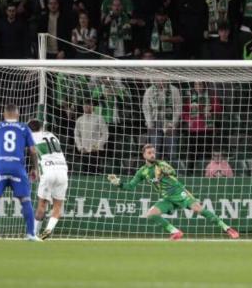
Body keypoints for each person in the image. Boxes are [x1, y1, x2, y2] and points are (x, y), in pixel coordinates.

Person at [108, 144, 240, 240]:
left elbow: (173, 172)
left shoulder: (161, 164)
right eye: (149, 153)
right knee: (151, 214)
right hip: (168, 199)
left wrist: (164, 171)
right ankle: (175, 232)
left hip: (179, 192)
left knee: (199, 210)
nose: (152, 154)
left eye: (153, 152)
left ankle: (227, 228)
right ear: (144, 155)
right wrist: (118, 183)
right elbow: (130, 186)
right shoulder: (142, 172)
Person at [0, 104, 40, 241]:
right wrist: (35, 168)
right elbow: (33, 151)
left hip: (0, 166)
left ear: (4, 114)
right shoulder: (24, 128)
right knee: (25, 200)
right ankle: (31, 234)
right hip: (17, 168)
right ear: (18, 114)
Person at [28, 119, 69, 240]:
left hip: (48, 171)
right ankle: (47, 232)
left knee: (42, 205)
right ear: (41, 127)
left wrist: (34, 168)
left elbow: (33, 151)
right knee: (57, 207)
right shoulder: (52, 136)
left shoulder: (31, 137)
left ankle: (33, 234)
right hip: (62, 170)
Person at [74, 100, 109, 174]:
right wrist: (80, 147)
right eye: (85, 104)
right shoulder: (79, 120)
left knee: (95, 174)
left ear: (93, 107)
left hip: (96, 152)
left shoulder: (99, 118)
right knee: (85, 174)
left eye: (89, 104)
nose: (86, 106)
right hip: (84, 151)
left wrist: (97, 146)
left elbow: (105, 134)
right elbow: (76, 135)